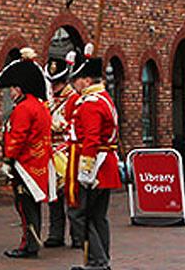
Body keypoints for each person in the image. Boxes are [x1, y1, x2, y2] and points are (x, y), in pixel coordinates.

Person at [0, 47, 55, 259]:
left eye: (12, 88)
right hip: (37, 162)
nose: (10, 92)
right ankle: (32, 242)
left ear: (19, 89)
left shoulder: (22, 108)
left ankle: (28, 245)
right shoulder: (40, 105)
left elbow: (17, 137)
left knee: (24, 207)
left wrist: (8, 159)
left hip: (25, 164)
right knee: (32, 206)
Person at [69, 44, 120, 270]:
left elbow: (91, 139)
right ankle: (100, 259)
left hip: (94, 165)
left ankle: (97, 260)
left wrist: (85, 170)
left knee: (83, 215)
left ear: (87, 81)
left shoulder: (90, 104)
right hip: (104, 164)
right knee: (98, 216)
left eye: (77, 79)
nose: (74, 83)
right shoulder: (103, 99)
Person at [45, 51, 85, 250]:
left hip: (69, 153)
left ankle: (77, 234)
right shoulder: (49, 101)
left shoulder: (75, 100)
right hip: (51, 154)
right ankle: (55, 233)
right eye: (53, 83)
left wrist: (63, 125)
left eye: (58, 82)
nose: (55, 87)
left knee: (71, 196)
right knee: (53, 195)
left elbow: (78, 125)